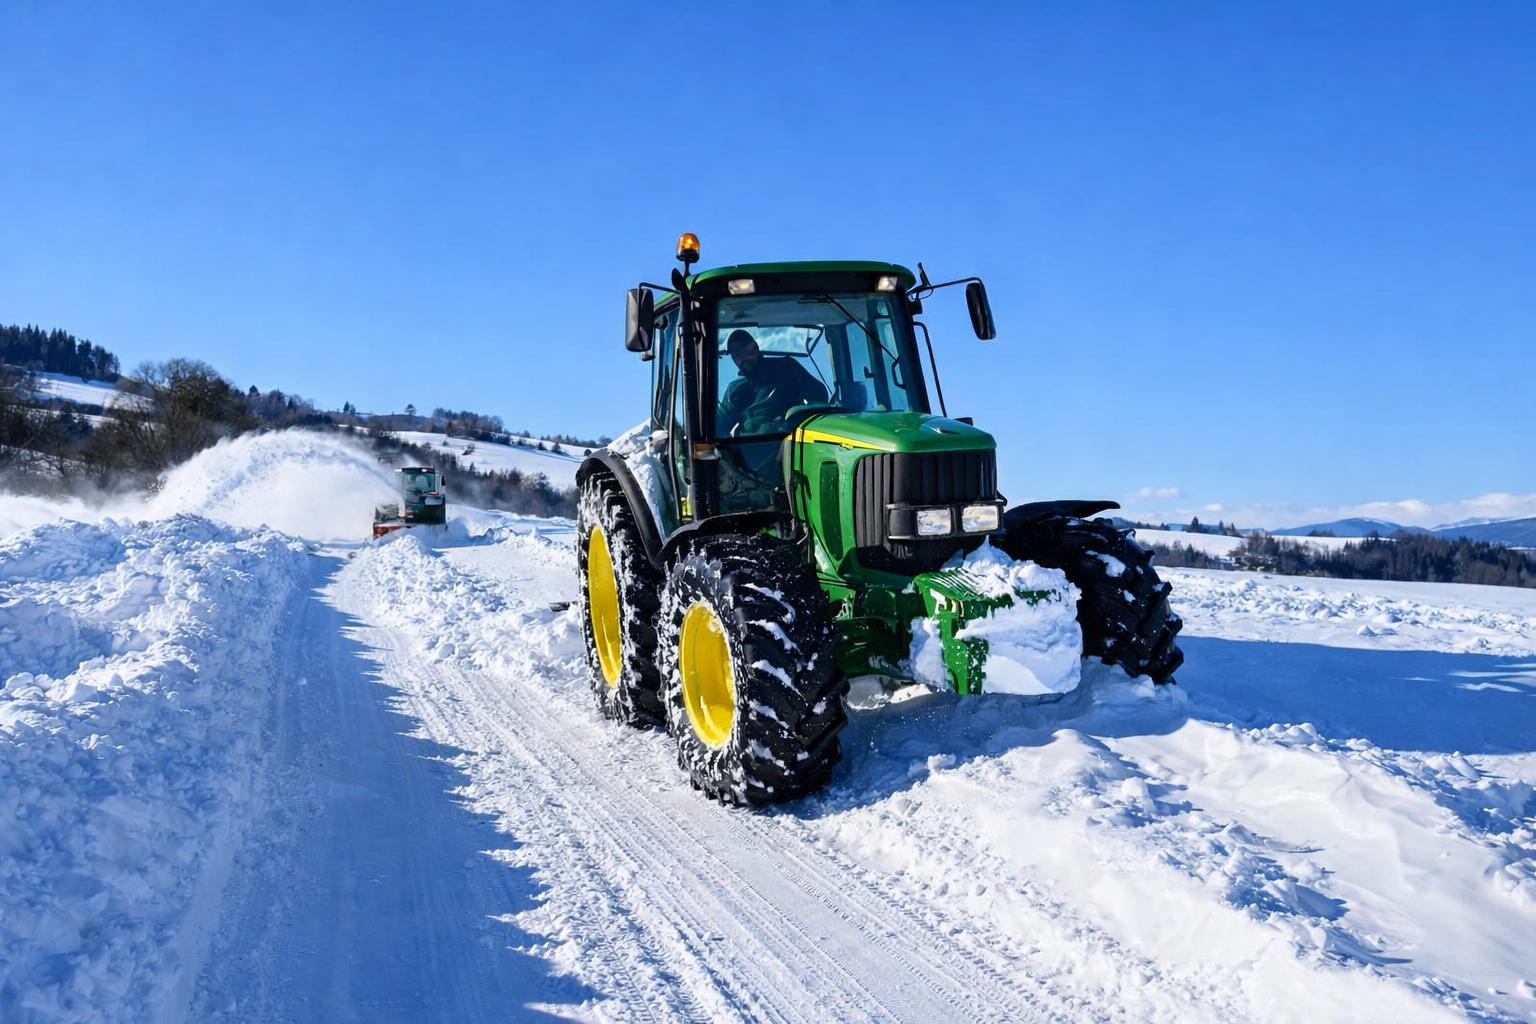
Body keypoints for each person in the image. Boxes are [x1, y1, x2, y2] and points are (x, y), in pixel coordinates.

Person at [717, 329, 828, 437]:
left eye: (744, 352)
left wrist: (790, 424)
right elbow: (720, 427)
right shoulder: (734, 390)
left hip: (789, 440)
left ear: (755, 349)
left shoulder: (786, 368)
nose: (741, 360)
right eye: (736, 356)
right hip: (749, 448)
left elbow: (820, 396)